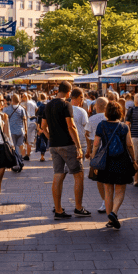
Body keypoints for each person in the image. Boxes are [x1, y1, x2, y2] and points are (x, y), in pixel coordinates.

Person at [39, 81, 89, 219]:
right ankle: (78, 208)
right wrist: (78, 146)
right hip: (68, 144)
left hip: (54, 145)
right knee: (78, 175)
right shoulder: (66, 104)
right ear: (68, 92)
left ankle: (58, 210)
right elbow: (71, 126)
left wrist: (51, 138)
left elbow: (43, 127)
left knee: (58, 176)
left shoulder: (48, 105)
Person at [92, 100, 137, 229]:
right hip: (122, 161)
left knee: (108, 190)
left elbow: (96, 144)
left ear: (106, 113)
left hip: (106, 161)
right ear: (120, 113)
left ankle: (110, 219)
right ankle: (114, 212)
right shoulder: (124, 127)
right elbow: (129, 145)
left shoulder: (101, 125)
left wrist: (94, 162)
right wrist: (134, 160)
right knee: (120, 190)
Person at [86, 96, 109, 213]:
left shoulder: (92, 119)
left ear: (96, 106)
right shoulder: (112, 117)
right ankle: (109, 200)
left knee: (99, 178)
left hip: (98, 152)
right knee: (110, 179)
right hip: (112, 152)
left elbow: (89, 137)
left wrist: (89, 152)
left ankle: (105, 201)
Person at [2, 94, 27, 165]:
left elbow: (3, 119)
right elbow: (24, 120)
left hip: (11, 131)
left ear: (11, 100)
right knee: (20, 146)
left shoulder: (6, 109)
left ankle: (16, 161)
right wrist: (25, 130)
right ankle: (20, 159)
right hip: (20, 130)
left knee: (13, 147)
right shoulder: (21, 108)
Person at [34, 92, 49, 162]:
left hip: (41, 125)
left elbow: (38, 118)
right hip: (49, 126)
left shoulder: (40, 106)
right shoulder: (49, 105)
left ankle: (42, 156)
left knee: (42, 140)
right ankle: (52, 154)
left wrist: (38, 128)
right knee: (48, 139)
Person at [22, 93, 36, 161]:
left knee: (27, 139)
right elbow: (37, 109)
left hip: (27, 121)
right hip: (33, 120)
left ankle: (26, 155)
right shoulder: (33, 102)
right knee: (30, 139)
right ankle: (28, 154)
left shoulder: (25, 103)